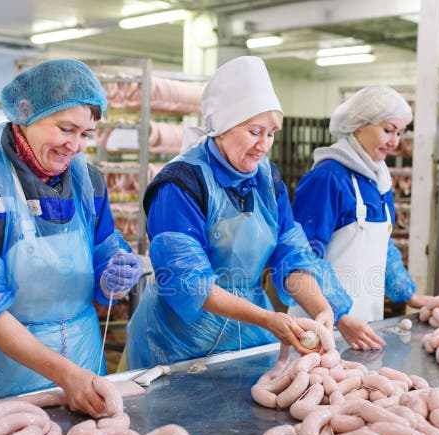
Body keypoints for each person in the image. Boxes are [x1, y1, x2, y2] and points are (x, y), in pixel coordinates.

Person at [0, 59, 143, 416]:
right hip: (0, 384)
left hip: (85, 369)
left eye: (85, 134)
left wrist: (113, 276)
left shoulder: (90, 182)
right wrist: (65, 375)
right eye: (65, 129)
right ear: (24, 113)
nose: (75, 145)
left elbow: (104, 253)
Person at [124, 56, 352, 369]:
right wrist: (267, 318)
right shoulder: (180, 184)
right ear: (222, 127)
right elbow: (188, 283)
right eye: (254, 131)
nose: (264, 145)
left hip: (247, 336)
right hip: (177, 344)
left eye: (271, 133)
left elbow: (292, 256)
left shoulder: (267, 180)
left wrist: (321, 308)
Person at [291, 85, 429, 351]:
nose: (394, 141)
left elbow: (384, 250)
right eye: (388, 130)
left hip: (364, 327)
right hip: (319, 326)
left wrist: (413, 296)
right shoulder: (327, 178)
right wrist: (340, 316)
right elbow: (301, 258)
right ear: (358, 125)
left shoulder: (379, 182)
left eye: (400, 133)